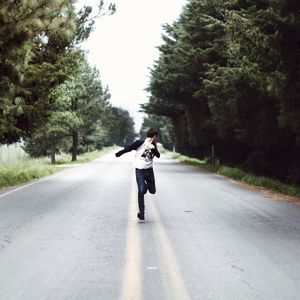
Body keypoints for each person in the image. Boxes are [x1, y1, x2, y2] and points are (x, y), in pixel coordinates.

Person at [115, 128, 160, 220]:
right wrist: (119, 153)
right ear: (155, 136)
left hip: (149, 171)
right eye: (156, 136)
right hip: (140, 170)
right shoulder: (140, 142)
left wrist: (152, 147)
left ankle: (145, 186)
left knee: (152, 191)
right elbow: (129, 148)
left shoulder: (153, 145)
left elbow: (158, 155)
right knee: (141, 191)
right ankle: (141, 212)